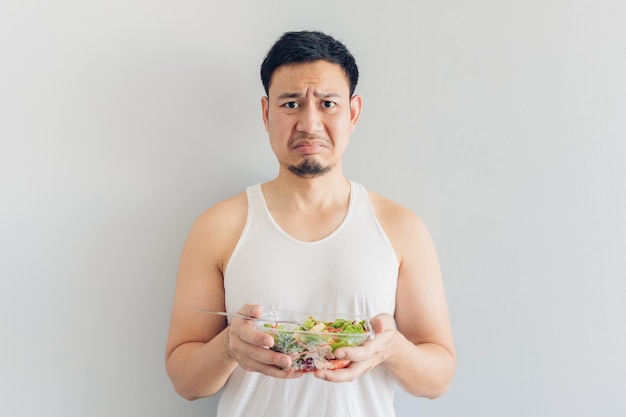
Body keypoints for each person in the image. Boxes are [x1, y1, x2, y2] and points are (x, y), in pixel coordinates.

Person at [165, 30, 456, 416]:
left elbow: (438, 379)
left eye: (327, 103)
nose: (309, 123)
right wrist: (228, 346)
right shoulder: (218, 226)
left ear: (353, 112)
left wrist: (392, 349)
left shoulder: (401, 228)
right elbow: (185, 382)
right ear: (266, 113)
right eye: (291, 104)